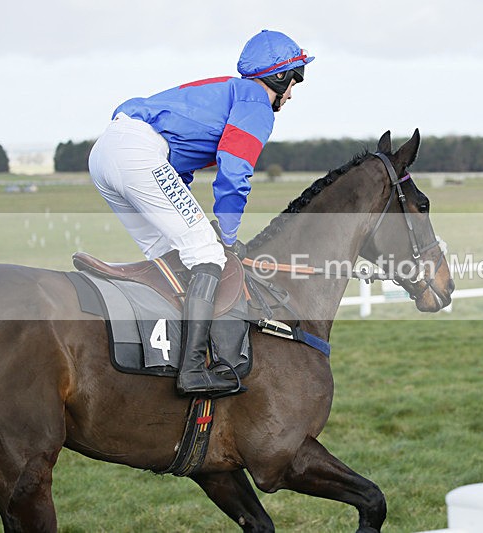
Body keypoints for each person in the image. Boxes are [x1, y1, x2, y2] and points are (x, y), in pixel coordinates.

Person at [88, 30, 314, 396]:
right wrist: (225, 237)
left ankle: (165, 351)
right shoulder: (256, 101)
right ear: (279, 76)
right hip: (138, 153)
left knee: (170, 254)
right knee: (208, 253)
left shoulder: (227, 92)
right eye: (295, 80)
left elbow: (179, 174)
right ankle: (192, 370)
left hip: (106, 153)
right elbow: (235, 171)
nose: (292, 92)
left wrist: (195, 219)